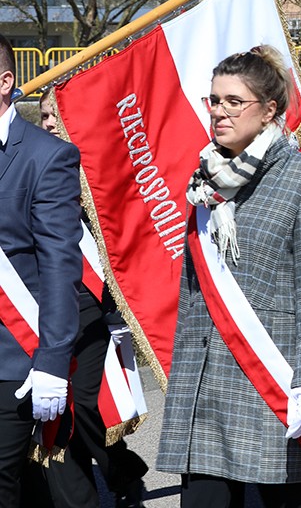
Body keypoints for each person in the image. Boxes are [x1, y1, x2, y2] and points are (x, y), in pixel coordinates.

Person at [157, 46, 301, 508]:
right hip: (204, 382)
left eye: (234, 102)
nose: (219, 111)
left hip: (270, 380)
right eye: (215, 100)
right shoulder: (204, 180)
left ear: (269, 110)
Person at [38, 90, 148, 508]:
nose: (50, 122)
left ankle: (122, 470)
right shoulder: (36, 160)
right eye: (44, 116)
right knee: (55, 410)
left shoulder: (98, 165)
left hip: (93, 303)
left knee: (86, 403)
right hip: (46, 302)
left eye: (56, 115)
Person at [0, 34, 83, 508]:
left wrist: (52, 358)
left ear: (5, 82)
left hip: (11, 358)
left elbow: (57, 263)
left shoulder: (45, 155)